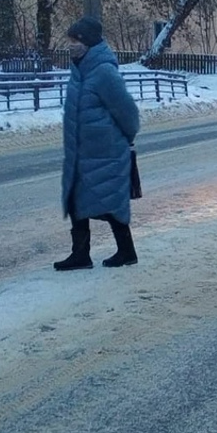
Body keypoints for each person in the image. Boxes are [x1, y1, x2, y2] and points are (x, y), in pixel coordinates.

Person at [55, 17, 141, 271]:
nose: (70, 46)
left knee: (107, 200)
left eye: (74, 41)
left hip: (105, 151)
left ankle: (125, 251)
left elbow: (128, 113)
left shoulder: (103, 71)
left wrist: (123, 139)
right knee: (76, 199)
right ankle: (82, 254)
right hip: (81, 152)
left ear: (87, 43)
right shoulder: (79, 70)